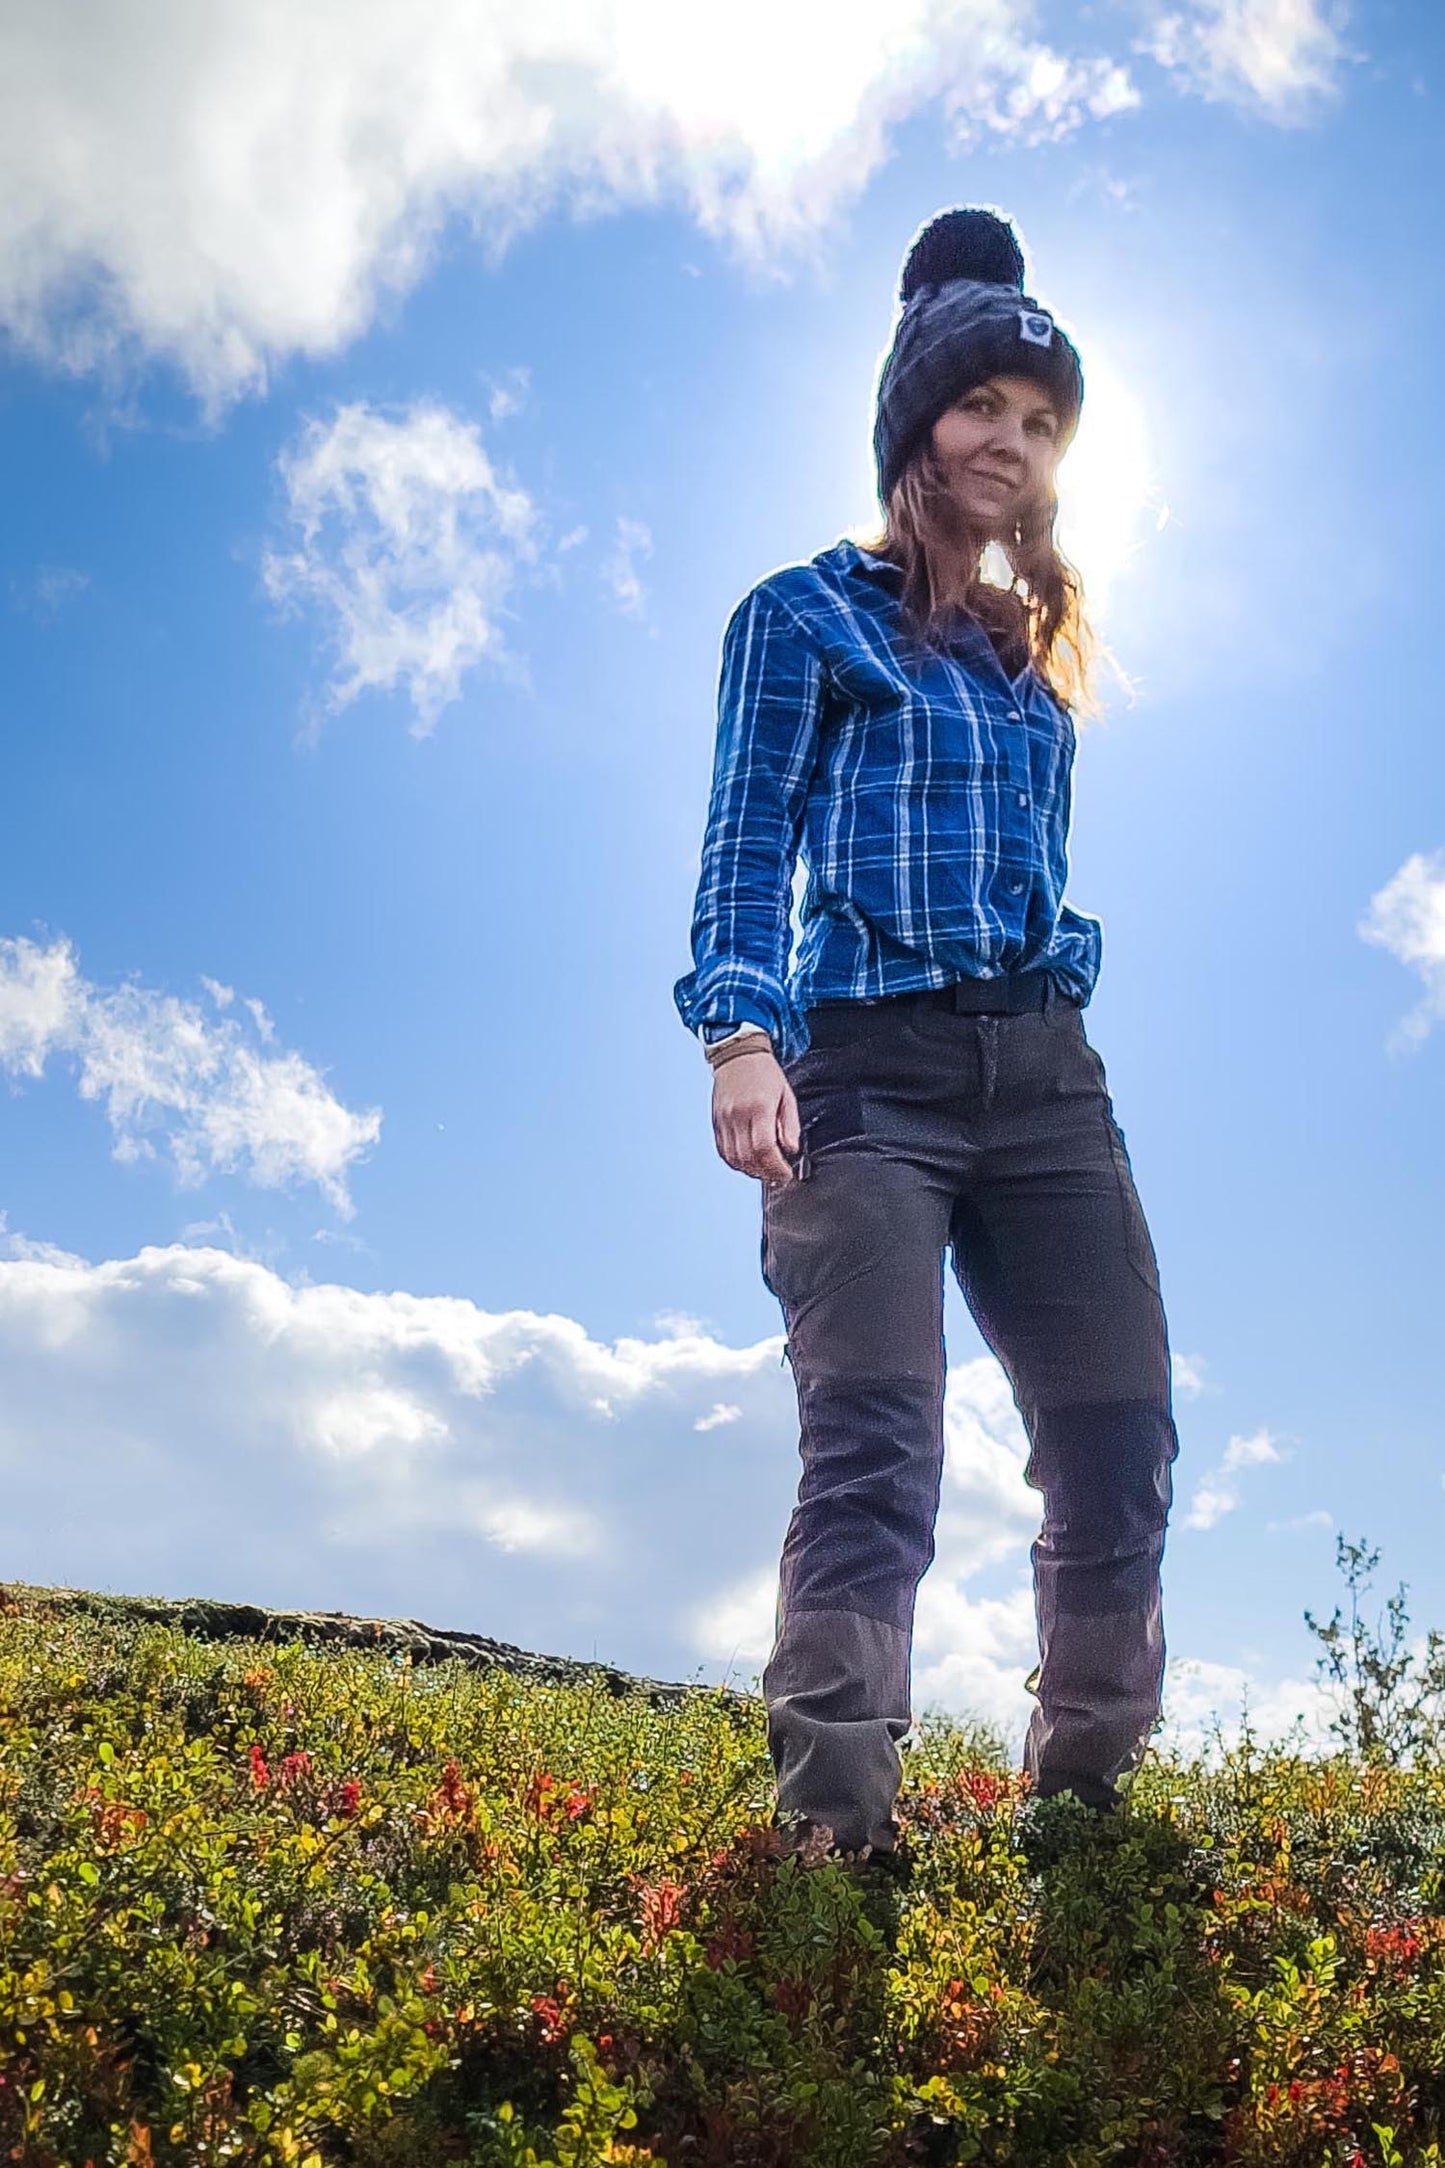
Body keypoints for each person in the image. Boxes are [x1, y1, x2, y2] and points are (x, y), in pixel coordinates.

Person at [674, 206, 1180, 1865]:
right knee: (876, 1448)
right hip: (863, 1075)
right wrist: (739, 1039)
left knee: (1115, 1438)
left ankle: (1086, 1812)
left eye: (1039, 421)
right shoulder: (803, 614)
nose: (1010, 443)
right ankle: (835, 1833)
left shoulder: (1033, 661)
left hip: (1044, 1081)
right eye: (980, 407)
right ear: (914, 425)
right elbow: (746, 843)